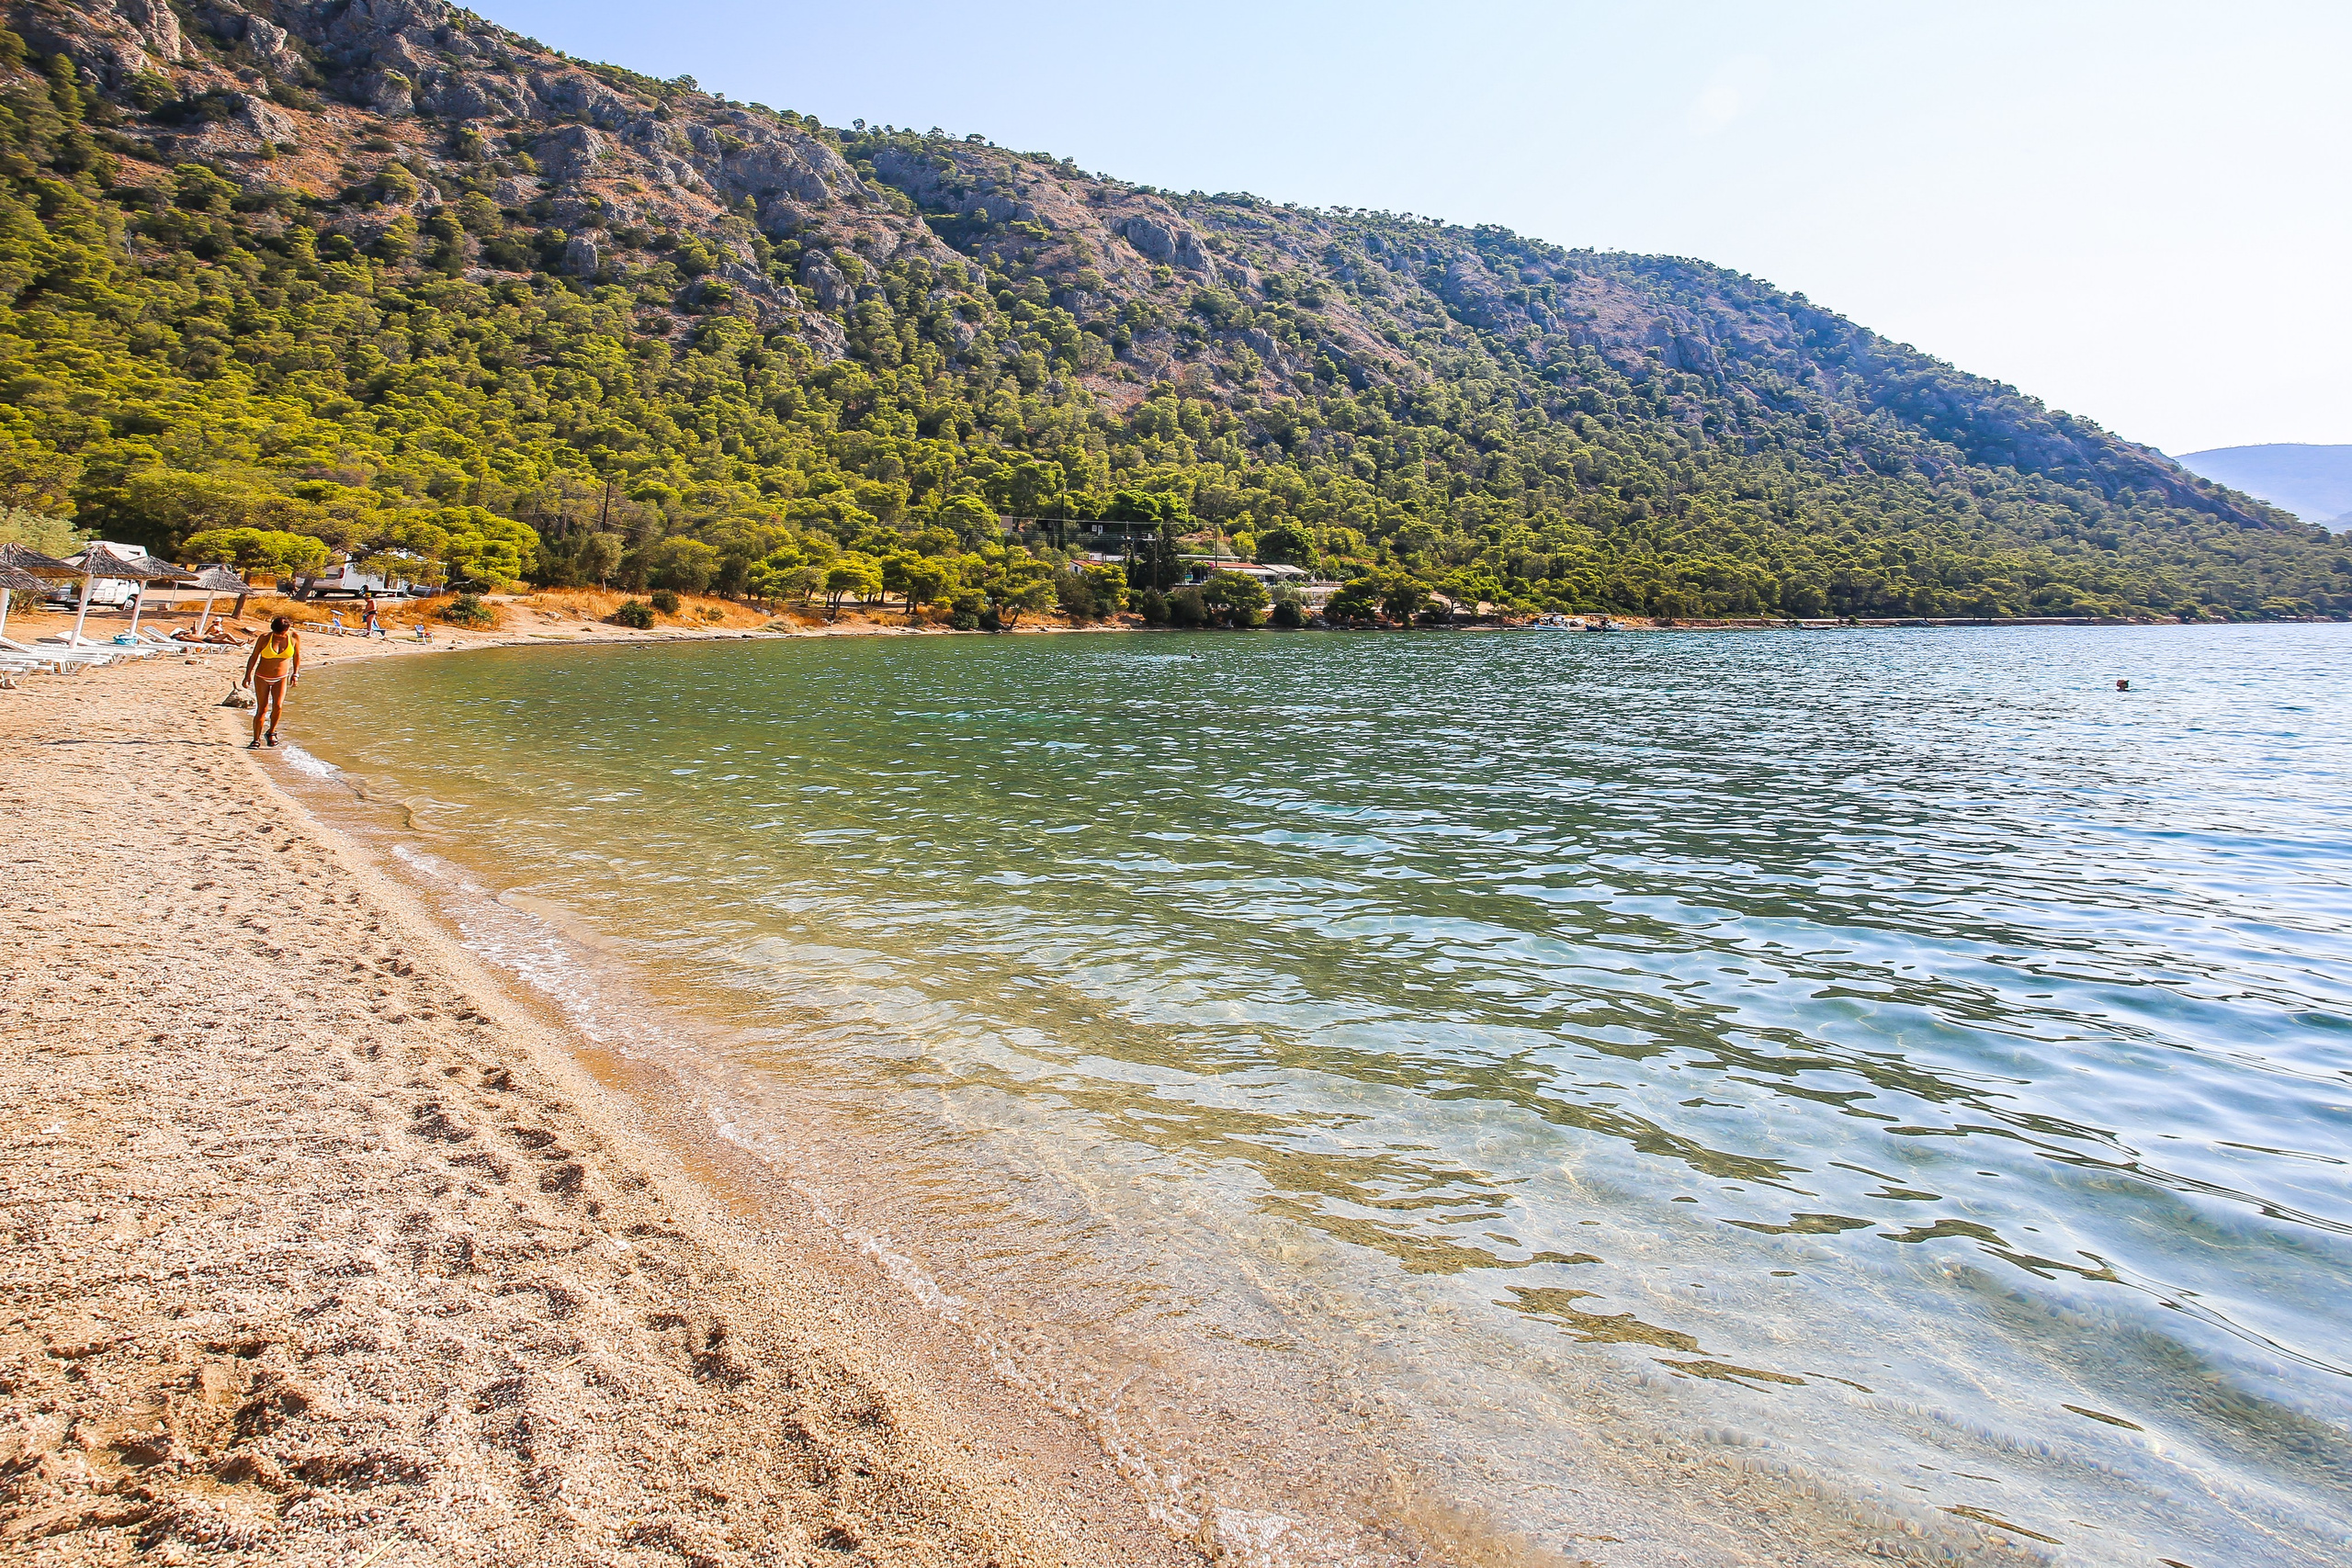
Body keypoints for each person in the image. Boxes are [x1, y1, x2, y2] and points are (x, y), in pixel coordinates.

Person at [243, 615, 300, 749]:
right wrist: (247, 675)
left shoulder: (294, 637)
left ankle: (271, 732)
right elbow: (254, 657)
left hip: (281, 677)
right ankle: (256, 739)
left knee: (278, 706)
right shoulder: (264, 638)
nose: (281, 635)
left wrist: (295, 674)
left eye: (283, 632)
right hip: (262, 676)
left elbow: (297, 656)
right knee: (262, 708)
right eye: (278, 632)